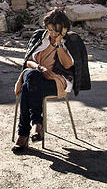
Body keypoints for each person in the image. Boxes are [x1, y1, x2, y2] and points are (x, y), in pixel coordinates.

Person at [12, 9, 90, 153]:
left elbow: (67, 65)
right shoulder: (39, 37)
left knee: (27, 87)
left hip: (57, 81)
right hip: (36, 76)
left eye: (56, 31)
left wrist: (59, 44)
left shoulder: (72, 41)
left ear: (64, 29)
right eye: (50, 30)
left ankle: (23, 134)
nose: (52, 34)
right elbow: (28, 61)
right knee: (32, 77)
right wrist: (41, 68)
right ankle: (36, 123)